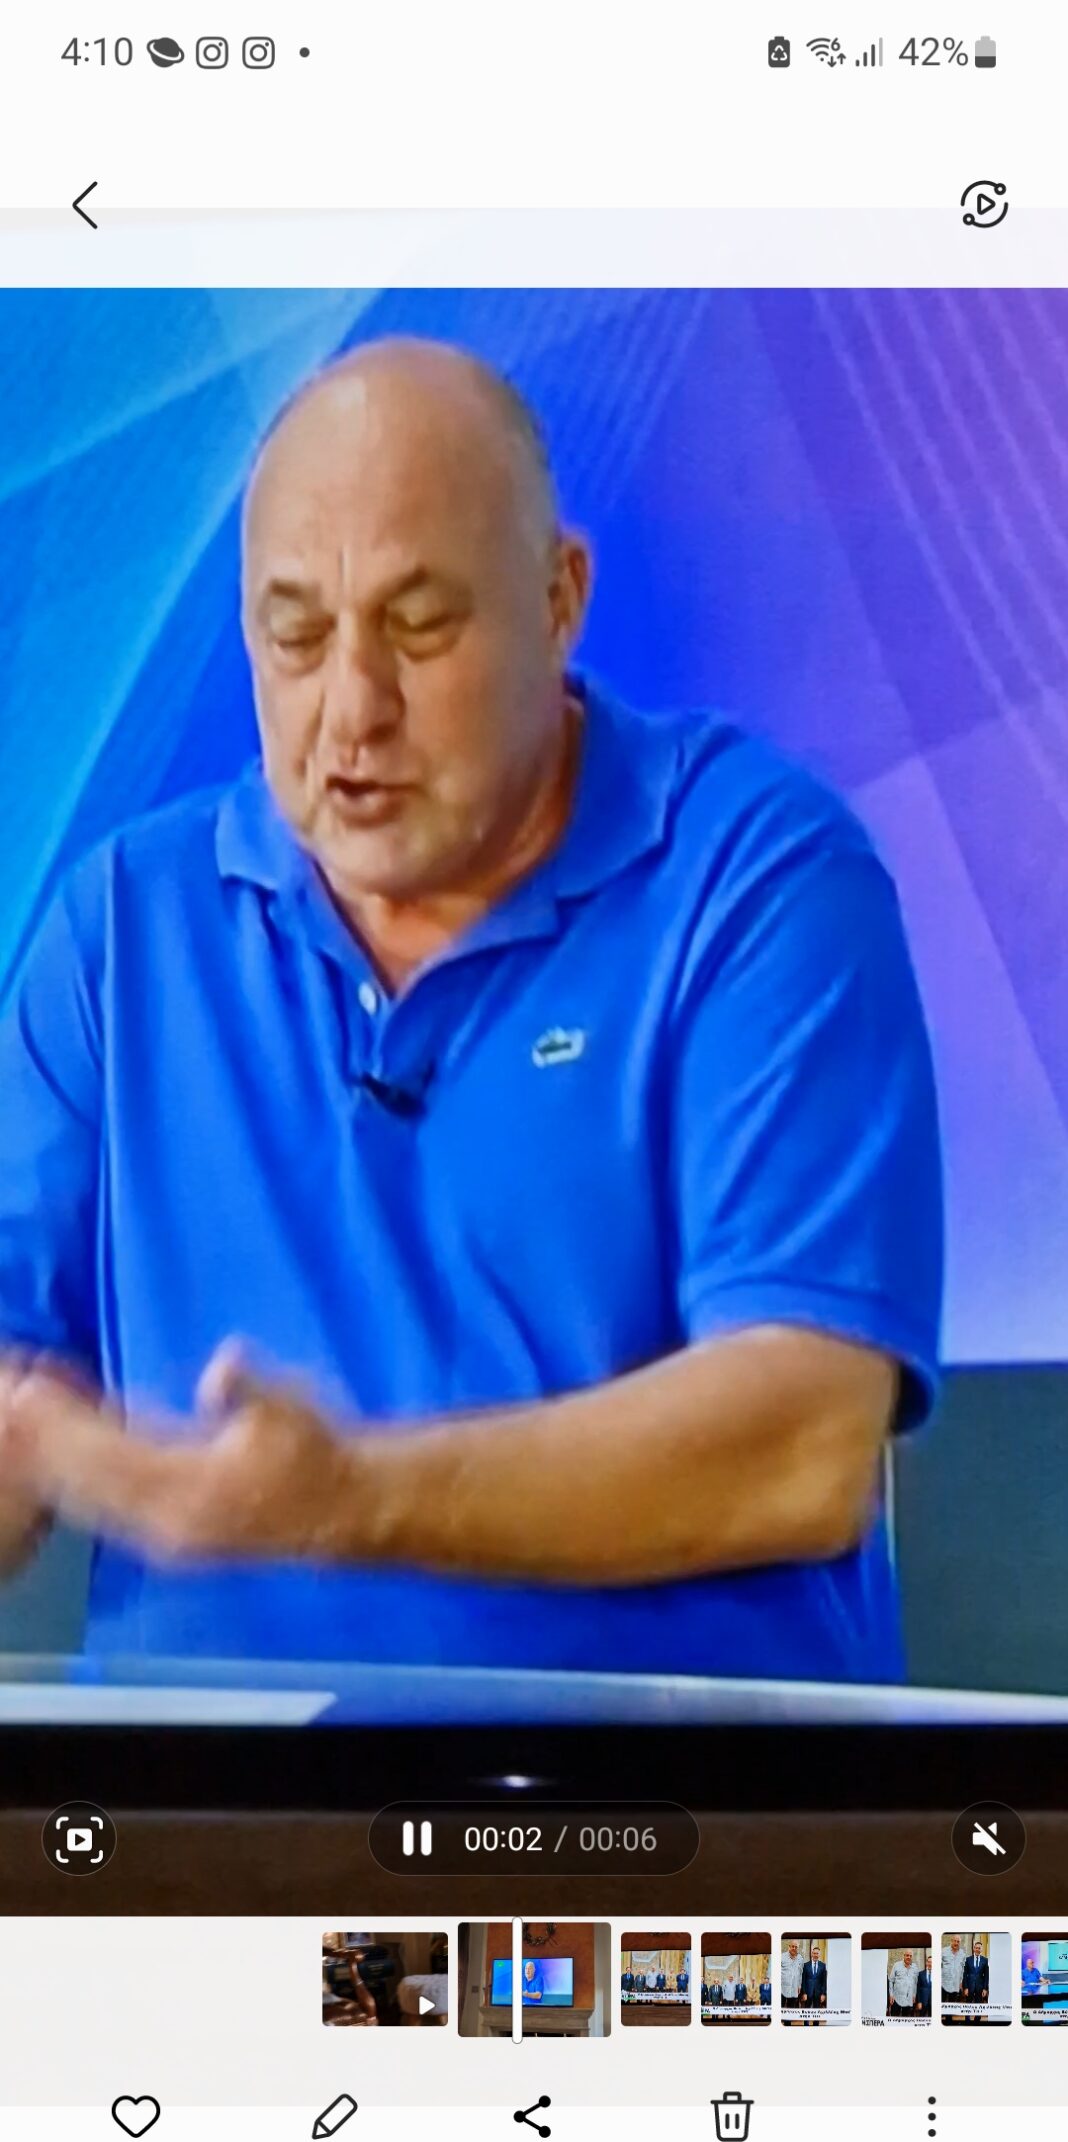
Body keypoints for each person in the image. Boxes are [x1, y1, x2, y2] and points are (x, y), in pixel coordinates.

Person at [0, 338, 943, 1681]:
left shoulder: (759, 879)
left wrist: (350, 1500)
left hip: (669, 1789)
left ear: (561, 600)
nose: (352, 711)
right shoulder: (119, 932)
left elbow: (800, 1444)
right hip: (204, 1793)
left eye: (420, 625)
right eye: (296, 635)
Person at [887, 1947, 920, 2017]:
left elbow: (915, 1983)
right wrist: (891, 1995)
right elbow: (891, 1981)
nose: (909, 1957)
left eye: (910, 1956)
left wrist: (914, 1995)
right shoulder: (896, 1965)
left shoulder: (915, 1967)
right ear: (904, 1956)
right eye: (907, 1955)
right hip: (896, 1998)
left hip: (908, 1999)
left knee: (906, 2020)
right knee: (894, 2019)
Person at [800, 1943, 828, 2011]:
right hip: (807, 1993)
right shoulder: (805, 1965)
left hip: (818, 1993)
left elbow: (824, 1981)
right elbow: (803, 1980)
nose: (815, 1955)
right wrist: (804, 1993)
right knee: (806, 2011)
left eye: (817, 1953)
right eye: (814, 1953)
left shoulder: (823, 1965)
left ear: (819, 1954)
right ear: (812, 1954)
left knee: (817, 2011)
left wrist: (823, 1994)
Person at [962, 1939, 989, 2005]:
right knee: (968, 2005)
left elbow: (986, 1976)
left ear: (981, 1949)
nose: (977, 1949)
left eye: (979, 1948)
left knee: (979, 2006)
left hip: (980, 1988)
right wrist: (965, 1988)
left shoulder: (985, 1960)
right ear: (974, 1948)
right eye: (976, 1948)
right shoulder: (968, 1959)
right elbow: (964, 1974)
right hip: (969, 1987)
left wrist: (985, 1989)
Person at [941, 1935, 966, 2006]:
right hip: (943, 1983)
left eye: (958, 1941)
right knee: (941, 2003)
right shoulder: (943, 1951)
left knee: (952, 2004)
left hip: (955, 1983)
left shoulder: (962, 1953)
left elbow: (962, 1968)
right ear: (951, 1941)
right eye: (955, 1941)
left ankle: (949, 2014)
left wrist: (961, 1982)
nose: (956, 1943)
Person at [781, 1941, 804, 2012]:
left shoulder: (800, 1958)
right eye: (792, 1946)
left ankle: (788, 2019)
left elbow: (800, 1973)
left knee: (791, 2010)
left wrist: (799, 1986)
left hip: (794, 1988)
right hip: (782, 1988)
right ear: (789, 1947)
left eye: (796, 1947)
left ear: (798, 1948)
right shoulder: (782, 1957)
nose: (794, 1948)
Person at [916, 1951, 933, 2016]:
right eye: (929, 1962)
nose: (930, 1964)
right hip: (923, 2002)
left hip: (933, 2002)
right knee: (922, 2018)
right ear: (926, 1963)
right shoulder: (920, 1974)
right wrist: (919, 2001)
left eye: (932, 1962)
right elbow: (918, 1989)